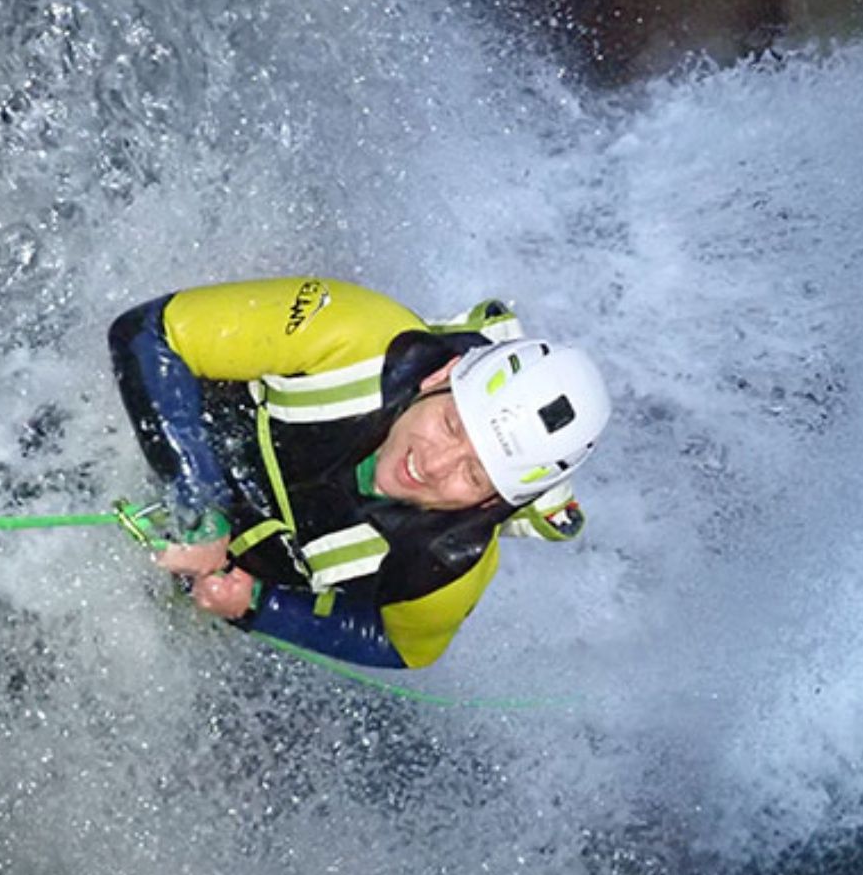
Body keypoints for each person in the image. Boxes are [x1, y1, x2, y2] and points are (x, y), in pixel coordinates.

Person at [109, 276, 610, 670]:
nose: (432, 465)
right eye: (450, 425)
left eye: (473, 475)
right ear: (439, 377)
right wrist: (198, 501)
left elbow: (404, 648)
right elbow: (148, 331)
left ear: (491, 503)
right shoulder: (353, 335)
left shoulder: (448, 565)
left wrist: (256, 605)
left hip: (241, 560)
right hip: (179, 433)